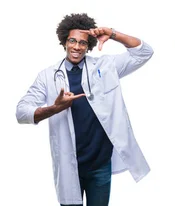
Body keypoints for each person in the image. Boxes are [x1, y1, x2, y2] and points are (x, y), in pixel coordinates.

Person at [15, 13, 153, 206]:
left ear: (89, 46)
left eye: (82, 43)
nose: (77, 47)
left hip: (100, 165)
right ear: (64, 41)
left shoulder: (106, 66)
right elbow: (21, 112)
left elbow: (144, 52)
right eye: (72, 41)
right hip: (69, 165)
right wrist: (55, 108)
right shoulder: (47, 76)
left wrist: (112, 34)